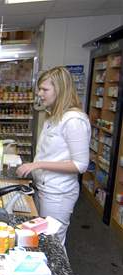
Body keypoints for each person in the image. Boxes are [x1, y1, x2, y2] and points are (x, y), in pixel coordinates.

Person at [16, 66, 91, 246]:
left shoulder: (74, 120)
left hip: (58, 193)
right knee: (43, 241)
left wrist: (38, 165)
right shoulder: (53, 117)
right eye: (39, 89)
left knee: (54, 244)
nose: (40, 94)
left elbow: (80, 165)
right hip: (44, 189)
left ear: (60, 89)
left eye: (45, 89)